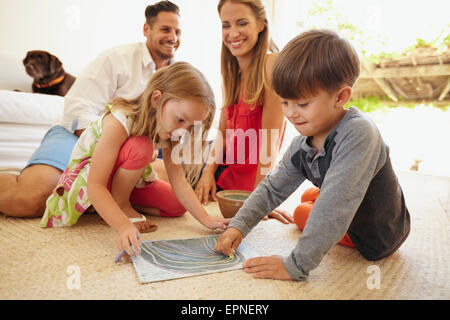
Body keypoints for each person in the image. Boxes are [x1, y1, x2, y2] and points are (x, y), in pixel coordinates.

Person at [215, 29, 411, 281]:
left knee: (303, 213)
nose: (291, 113)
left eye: (302, 104)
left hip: (379, 236)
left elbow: (334, 209)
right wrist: (238, 226)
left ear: (340, 97)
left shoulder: (360, 133)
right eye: (285, 102)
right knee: (309, 195)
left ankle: (320, 199)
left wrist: (294, 265)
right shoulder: (303, 143)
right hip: (345, 197)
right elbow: (272, 189)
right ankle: (319, 194)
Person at [0, 1, 181, 219]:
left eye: (178, 31)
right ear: (146, 29)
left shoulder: (176, 77)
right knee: (29, 200)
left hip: (128, 151)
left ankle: (100, 198)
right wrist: (109, 149)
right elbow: (76, 109)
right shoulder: (117, 59)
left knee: (178, 190)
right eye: (165, 29)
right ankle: (95, 195)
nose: (173, 37)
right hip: (76, 136)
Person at [41, 61, 231, 259]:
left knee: (177, 206)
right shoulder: (119, 121)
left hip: (127, 181)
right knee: (142, 147)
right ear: (157, 99)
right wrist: (123, 226)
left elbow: (179, 182)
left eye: (191, 126)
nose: (183, 131)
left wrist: (206, 219)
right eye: (181, 120)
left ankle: (114, 203)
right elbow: (95, 185)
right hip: (92, 180)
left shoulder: (172, 132)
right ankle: (119, 205)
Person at [193, 0, 293, 224]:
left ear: (261, 25)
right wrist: (208, 172)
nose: (232, 33)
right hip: (219, 165)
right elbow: (221, 132)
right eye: (226, 25)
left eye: (241, 23)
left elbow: (270, 140)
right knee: (153, 169)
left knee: (154, 175)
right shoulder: (233, 72)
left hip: (247, 181)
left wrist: (262, 198)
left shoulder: (271, 65)